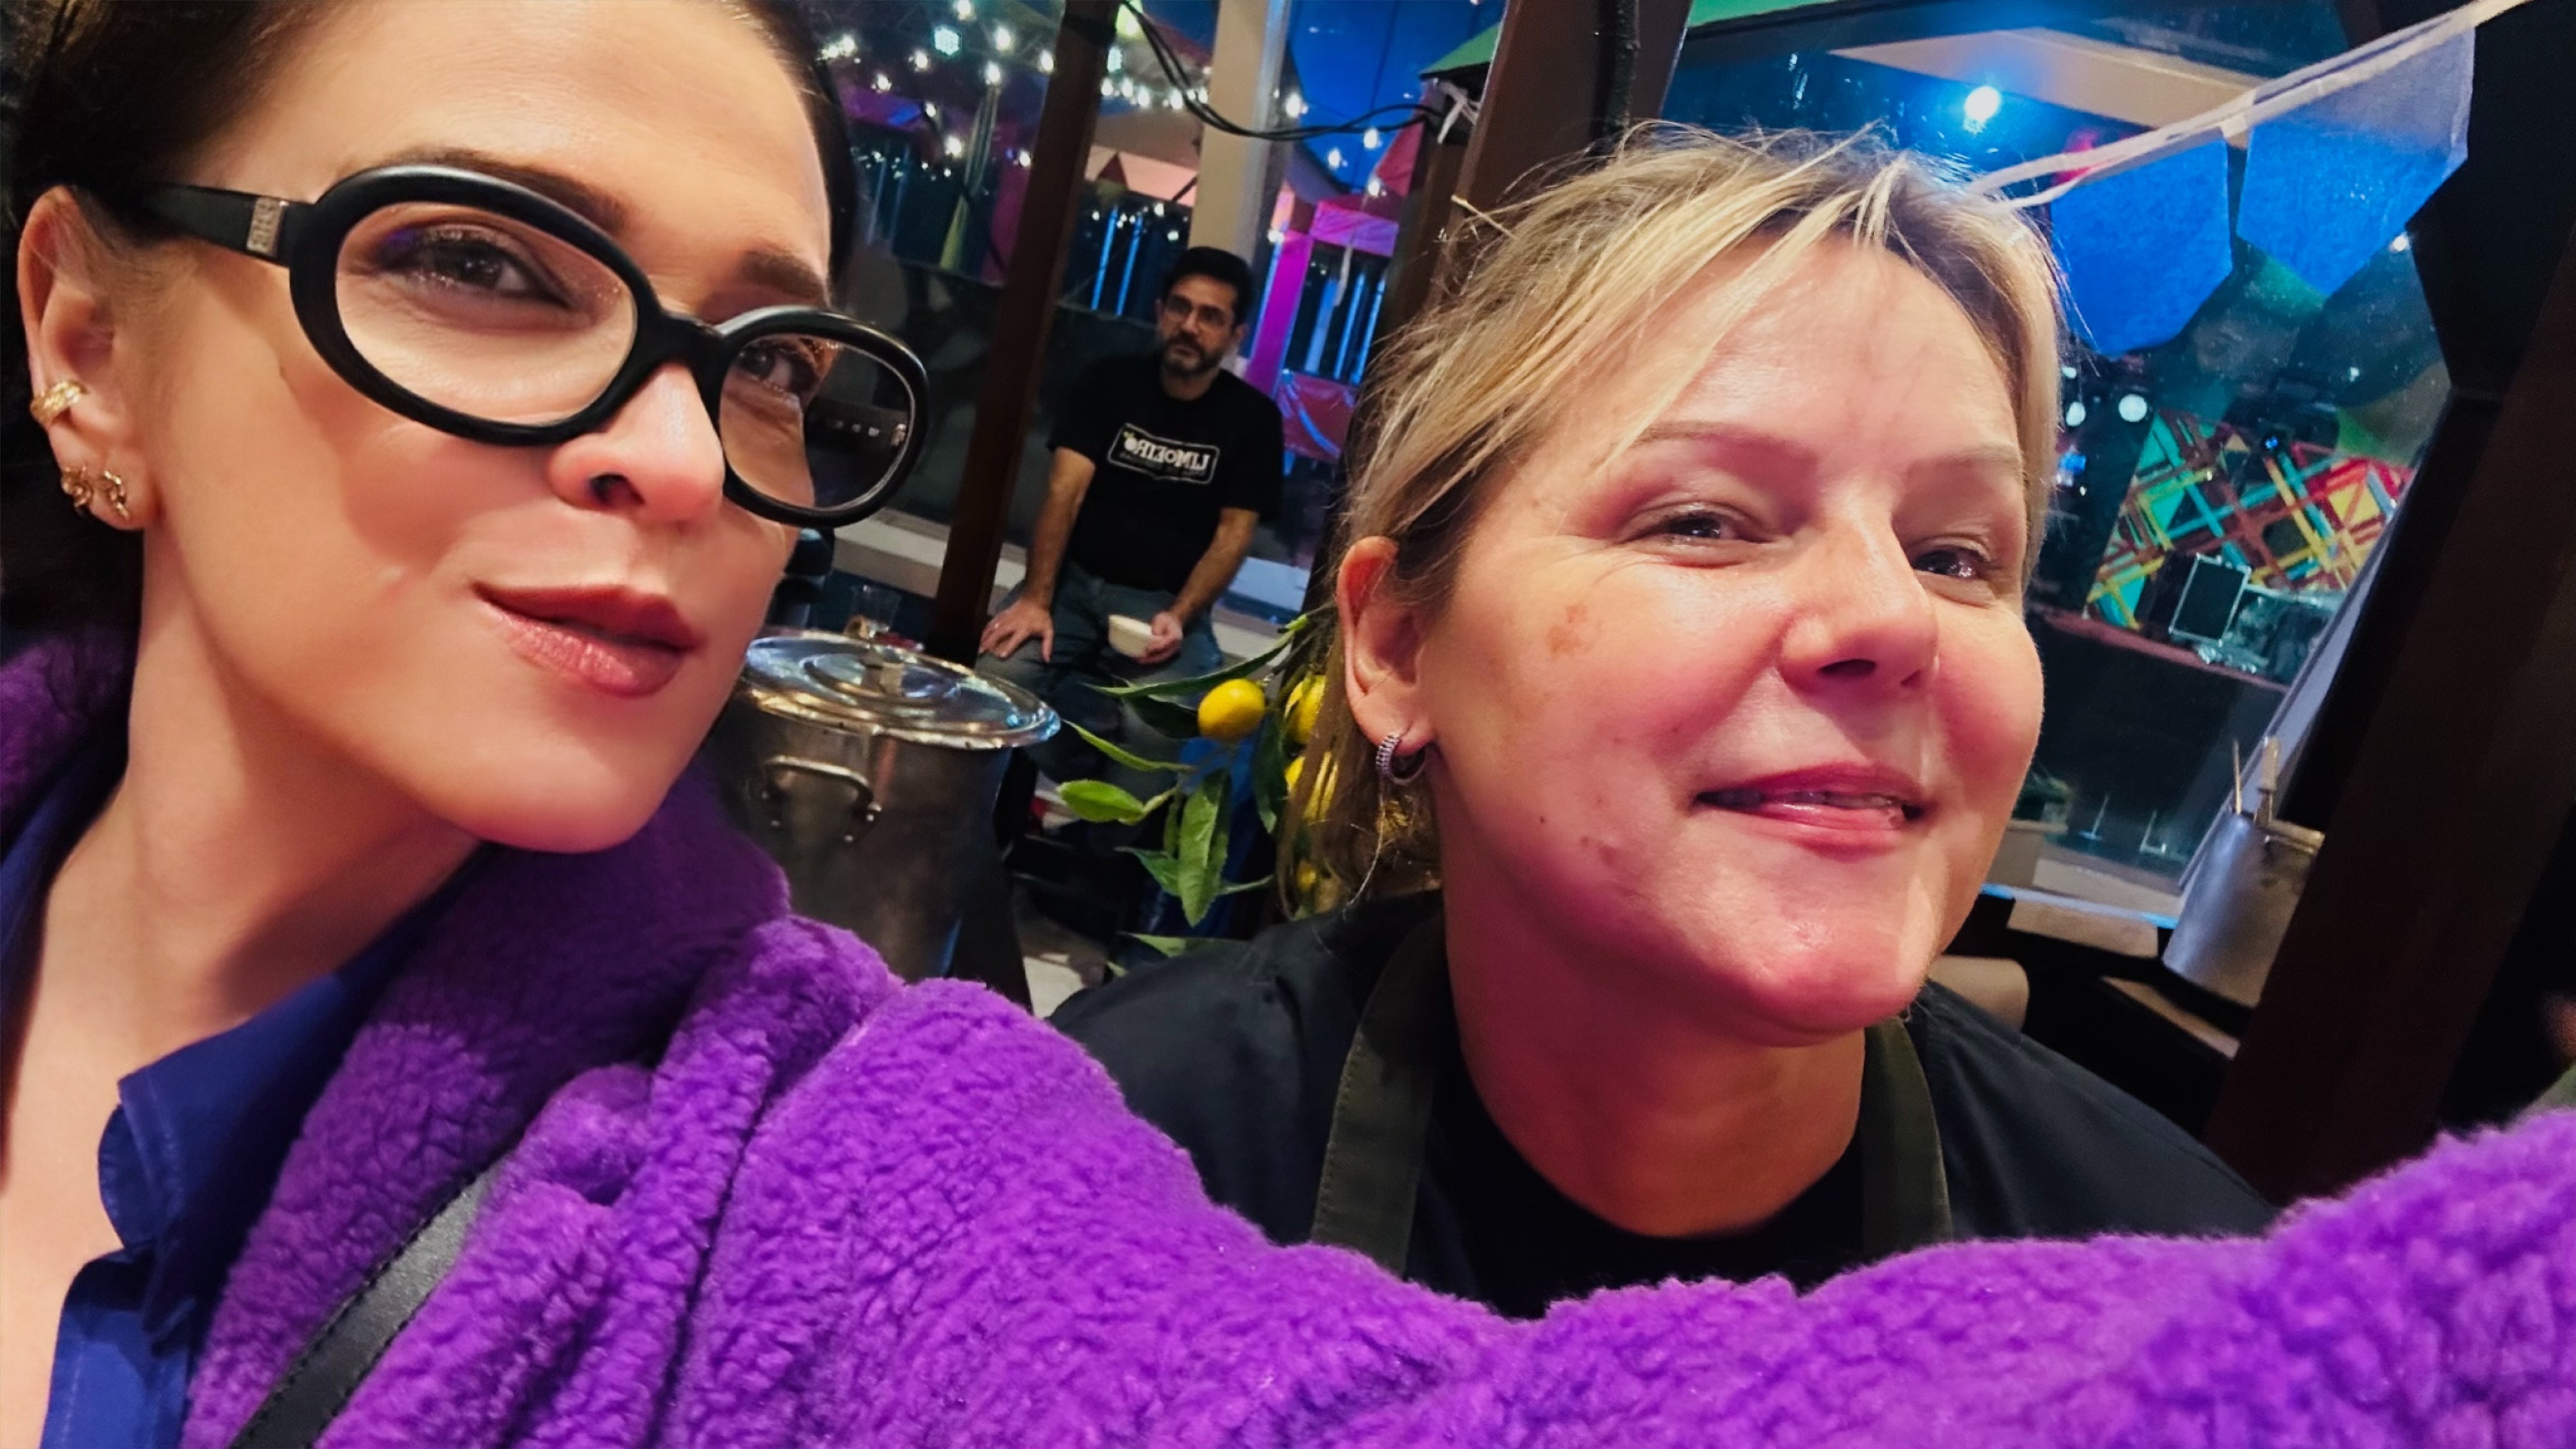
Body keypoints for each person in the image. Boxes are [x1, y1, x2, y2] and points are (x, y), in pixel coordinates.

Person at [4, 6, 2575, 1445]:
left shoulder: (844, 1155)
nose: (685, 452)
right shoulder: (1165, 1091)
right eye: (477, 263)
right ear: (86, 339)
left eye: (1969, 552)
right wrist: (1061, 596)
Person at [1054, 132, 2276, 1316]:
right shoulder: (1104, 1163)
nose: (1894, 617)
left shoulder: (2186, 1322)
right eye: (1702, 521)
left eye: (1954, 555)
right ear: (1399, 647)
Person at [977, 247, 1283, 790]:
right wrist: (1037, 599)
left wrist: (1181, 615)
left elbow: (1233, 535)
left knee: (1156, 727)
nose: (1190, 326)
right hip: (1069, 588)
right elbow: (1064, 492)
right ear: (1161, 312)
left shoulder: (1254, 420)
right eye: (1180, 308)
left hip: (1163, 604)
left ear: (1235, 334)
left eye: (1210, 316)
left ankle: (1106, 838)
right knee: (996, 681)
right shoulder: (1109, 382)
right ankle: (1072, 779)